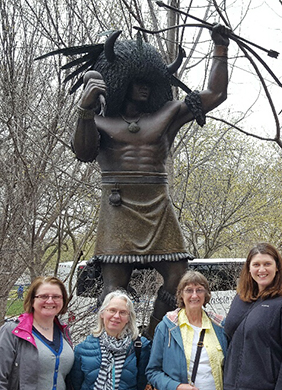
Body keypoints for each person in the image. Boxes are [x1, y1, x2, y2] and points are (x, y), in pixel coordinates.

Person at [72, 24, 232, 337]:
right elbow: (84, 152)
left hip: (158, 204)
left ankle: (154, 337)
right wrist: (85, 108)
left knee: (178, 276)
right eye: (137, 81)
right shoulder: (100, 120)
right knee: (113, 285)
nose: (144, 88)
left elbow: (215, 94)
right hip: (117, 206)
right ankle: (117, 345)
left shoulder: (168, 113)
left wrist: (220, 50)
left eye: (149, 82)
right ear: (121, 81)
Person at [223, 243, 282, 390]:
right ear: (249, 269)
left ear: (277, 267)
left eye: (267, 264)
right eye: (256, 264)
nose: (261, 269)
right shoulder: (240, 298)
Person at [0, 276, 74, 390]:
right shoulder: (12, 331)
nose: (50, 301)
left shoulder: (64, 332)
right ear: (32, 300)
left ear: (63, 300)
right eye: (43, 296)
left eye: (56, 296)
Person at [146, 271, 227, 390]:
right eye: (189, 290)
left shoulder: (220, 326)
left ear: (206, 294)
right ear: (181, 295)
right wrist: (177, 386)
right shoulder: (167, 328)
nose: (194, 295)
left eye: (199, 290)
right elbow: (152, 372)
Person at [71, 290, 151, 390]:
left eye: (123, 312)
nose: (116, 316)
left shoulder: (141, 347)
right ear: (102, 313)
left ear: (128, 318)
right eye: (112, 310)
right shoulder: (82, 349)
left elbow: (142, 384)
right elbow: (75, 385)